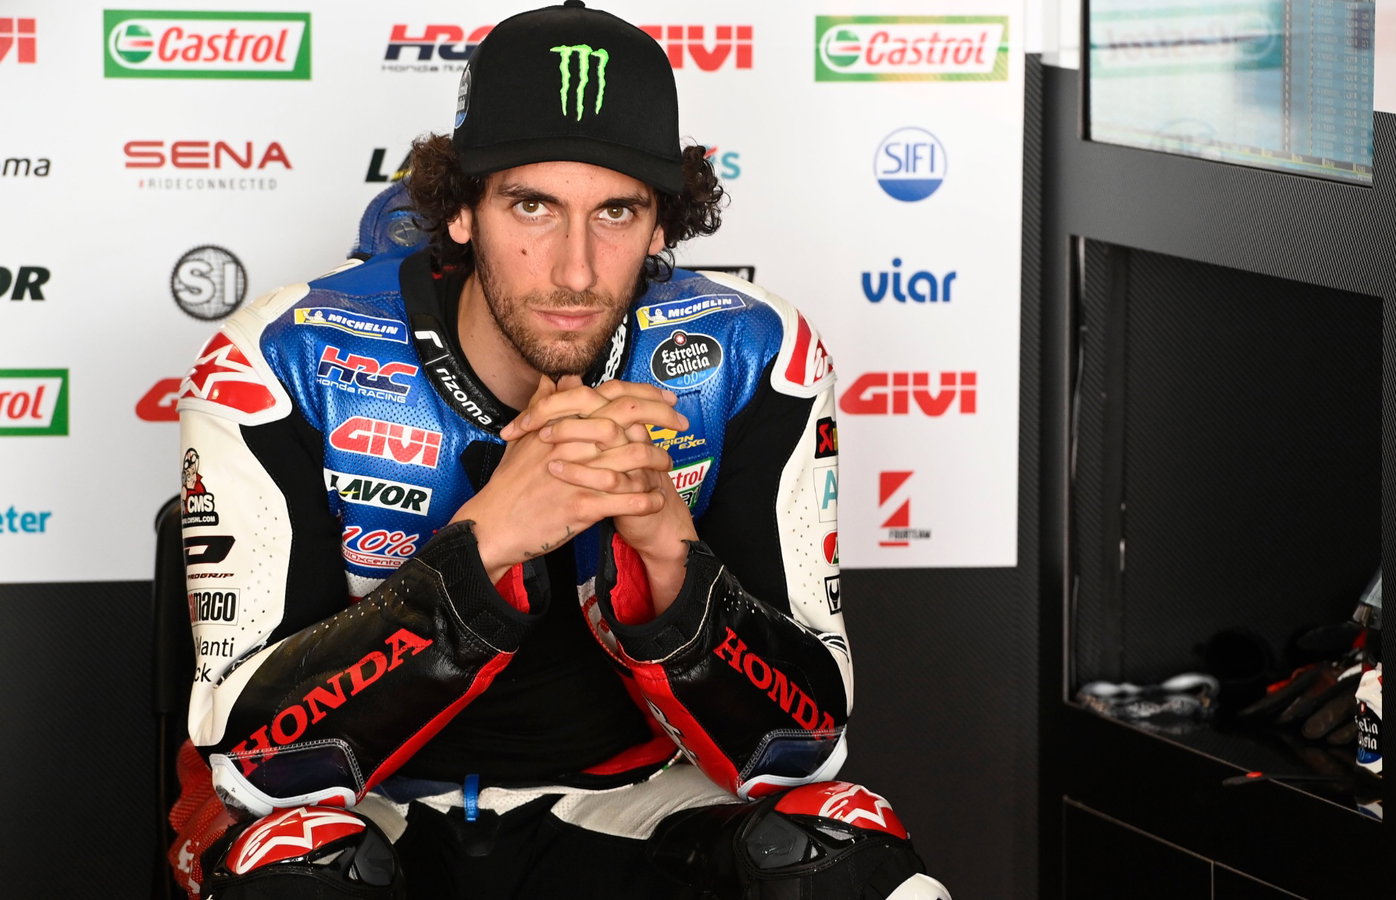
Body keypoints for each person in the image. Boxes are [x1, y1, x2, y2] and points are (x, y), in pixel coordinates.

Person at [165, 3, 950, 898]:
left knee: (842, 848)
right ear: (462, 210)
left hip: (635, 803)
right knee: (298, 872)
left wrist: (668, 550)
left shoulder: (749, 354)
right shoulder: (282, 357)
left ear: (663, 226)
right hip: (374, 808)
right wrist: (485, 544)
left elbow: (802, 750)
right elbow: (257, 766)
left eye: (616, 211)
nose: (575, 270)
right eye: (532, 206)